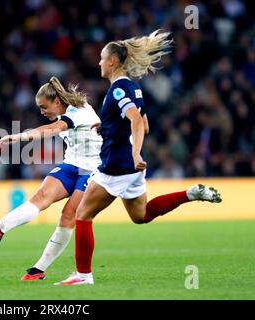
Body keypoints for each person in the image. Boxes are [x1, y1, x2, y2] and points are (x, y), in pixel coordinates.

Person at [55, 30, 222, 285]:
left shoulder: (119, 89)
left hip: (117, 165)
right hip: (132, 167)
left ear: (112, 61)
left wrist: (133, 152)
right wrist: (108, 128)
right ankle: (190, 193)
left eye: (102, 58)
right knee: (141, 215)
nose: (99, 62)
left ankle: (83, 275)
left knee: (82, 214)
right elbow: (144, 126)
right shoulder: (134, 87)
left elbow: (134, 120)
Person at [0, 76, 103, 281]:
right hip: (71, 164)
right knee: (41, 196)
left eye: (44, 107)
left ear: (57, 102)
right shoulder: (67, 112)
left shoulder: (77, 112)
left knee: (68, 214)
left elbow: (51, 130)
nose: (42, 112)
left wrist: (16, 137)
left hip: (94, 169)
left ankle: (39, 268)